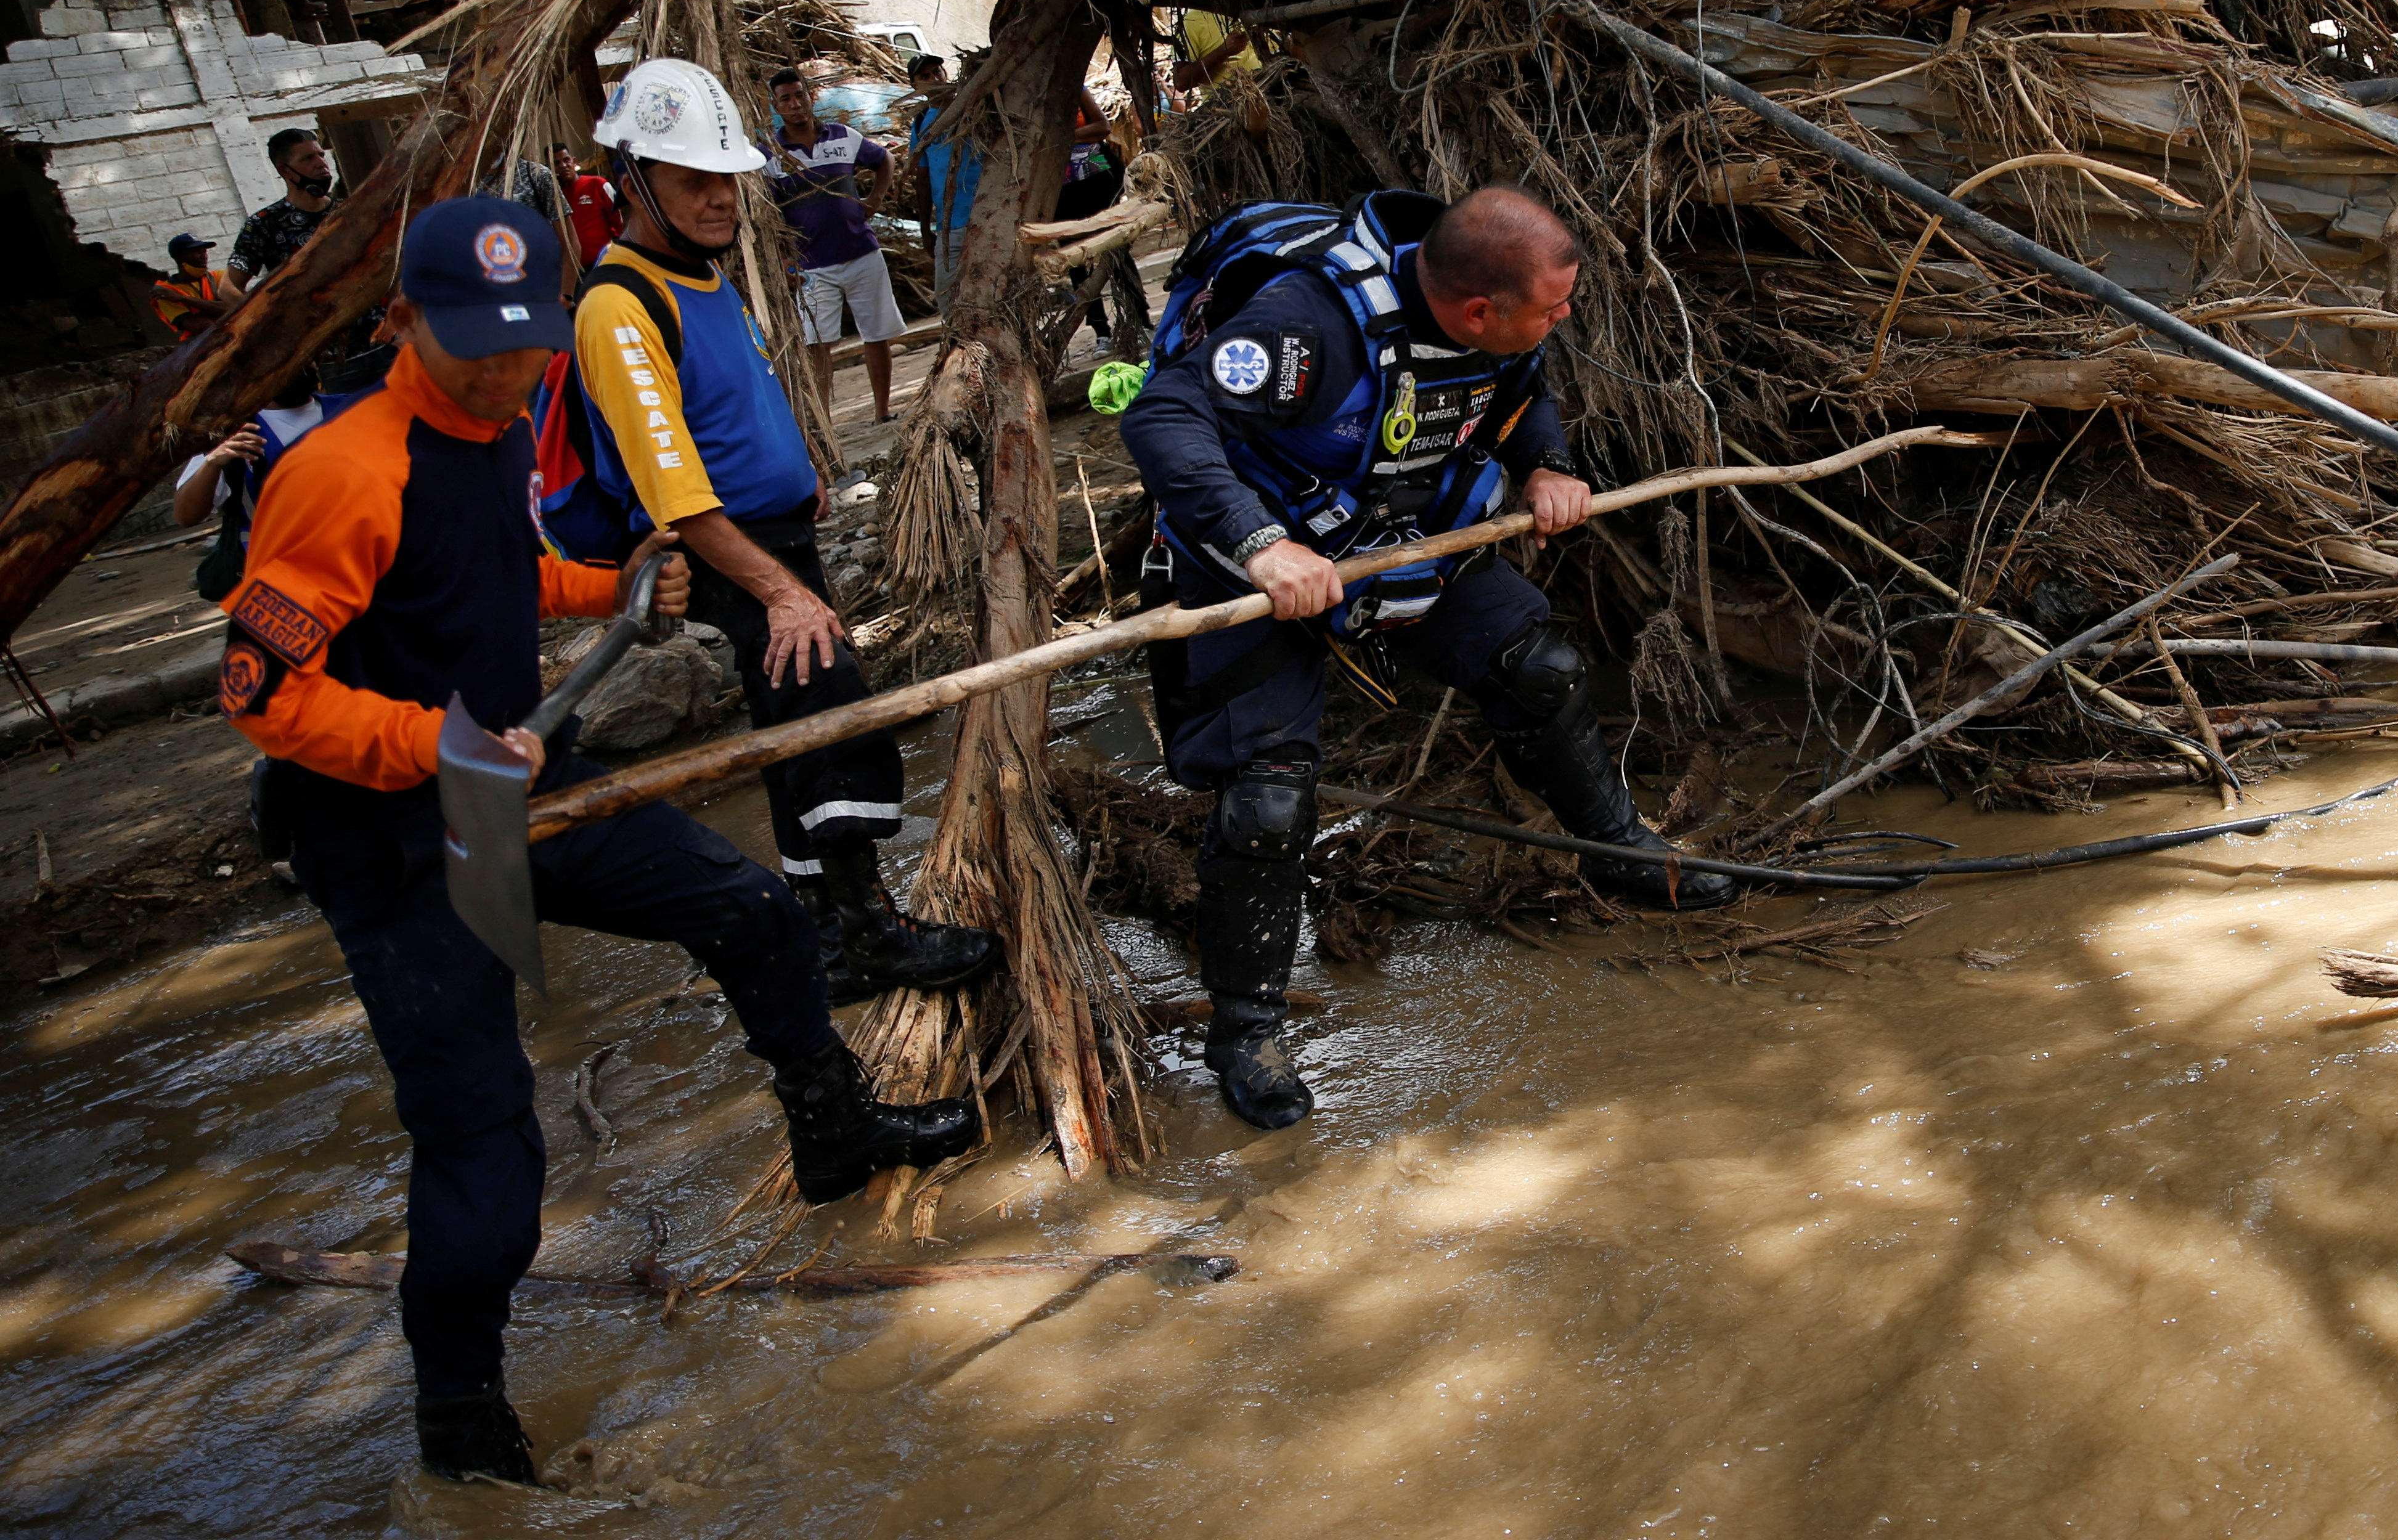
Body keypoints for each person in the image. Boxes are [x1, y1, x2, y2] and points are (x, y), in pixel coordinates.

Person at [222, 195, 979, 1488]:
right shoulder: (340, 470)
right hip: (398, 830)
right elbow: (260, 693)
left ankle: (834, 1130)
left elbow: (477, 574)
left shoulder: (501, 420)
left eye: (527, 343)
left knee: (752, 907)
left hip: (528, 775)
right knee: (483, 1139)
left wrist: (604, 586)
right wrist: (441, 751)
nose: (510, 368)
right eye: (477, 345)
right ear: (404, 322)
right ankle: (463, 1421)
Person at [1120, 184, 1731, 1132]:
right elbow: (1164, 416)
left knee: (1542, 670)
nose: (1565, 319)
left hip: (1398, 543)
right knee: (1269, 800)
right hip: (1251, 567)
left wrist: (1548, 463)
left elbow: (1521, 395)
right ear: (1479, 307)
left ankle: (1618, 852)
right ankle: (1247, 1032)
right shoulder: (1306, 323)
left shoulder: (1504, 330)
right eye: (1551, 307)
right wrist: (1259, 545)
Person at [569, 58, 998, 1004]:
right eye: (694, 183)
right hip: (728, 554)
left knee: (795, 733)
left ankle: (828, 942)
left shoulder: (703, 279)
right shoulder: (619, 304)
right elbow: (674, 491)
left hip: (773, 535)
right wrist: (779, 589)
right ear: (634, 182)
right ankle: (868, 929)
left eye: (727, 179)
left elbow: (735, 404)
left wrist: (800, 479)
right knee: (827, 713)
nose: (721, 200)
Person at [765, 68, 907, 426]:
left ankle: (882, 411)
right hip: (811, 264)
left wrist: (874, 200)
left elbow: (885, 160)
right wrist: (783, 256)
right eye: (786, 99)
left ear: (810, 96)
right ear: (776, 105)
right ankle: (824, 423)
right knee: (818, 344)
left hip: (861, 252)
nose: (796, 104)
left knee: (877, 334)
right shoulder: (771, 154)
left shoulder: (843, 136)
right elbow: (766, 211)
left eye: (800, 95)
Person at [226, 126, 391, 391]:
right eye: (308, 159)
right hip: (331, 362)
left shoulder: (354, 213)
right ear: (285, 171)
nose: (320, 165)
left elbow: (394, 268)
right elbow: (228, 289)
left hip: (386, 347)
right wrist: (275, 329)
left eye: (321, 156)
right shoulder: (264, 224)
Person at [173, 368, 325, 601]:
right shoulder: (231, 431)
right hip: (276, 585)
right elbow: (186, 515)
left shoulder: (355, 409)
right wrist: (213, 462)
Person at [1055, 85, 1148, 354]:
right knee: (1076, 260)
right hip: (1058, 189)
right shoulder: (1024, 98)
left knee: (1116, 249)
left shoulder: (1074, 89)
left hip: (1096, 178)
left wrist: (1063, 137)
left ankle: (1138, 320)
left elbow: (1102, 128)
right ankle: (1101, 332)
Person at [908, 53, 981, 303]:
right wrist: (926, 231)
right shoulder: (921, 124)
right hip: (950, 226)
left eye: (937, 72)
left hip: (986, 214)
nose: (934, 79)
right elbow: (923, 178)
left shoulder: (975, 108)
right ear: (915, 87)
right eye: (925, 76)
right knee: (949, 300)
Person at [152, 232, 234, 336]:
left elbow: (234, 308)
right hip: (203, 347)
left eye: (204, 251)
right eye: (196, 252)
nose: (204, 257)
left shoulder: (220, 276)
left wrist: (184, 299)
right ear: (179, 257)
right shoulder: (165, 291)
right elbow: (201, 328)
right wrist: (218, 309)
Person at [552, 146, 619, 272]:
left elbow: (620, 222)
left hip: (607, 263)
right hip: (576, 272)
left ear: (574, 161)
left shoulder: (598, 185)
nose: (563, 165)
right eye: (556, 163)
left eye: (566, 160)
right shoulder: (553, 199)